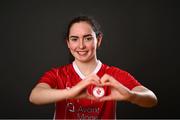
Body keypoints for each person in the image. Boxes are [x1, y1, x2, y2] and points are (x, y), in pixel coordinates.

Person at [29, 15, 158, 119]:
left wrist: (131, 96)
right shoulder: (57, 74)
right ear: (68, 43)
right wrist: (70, 92)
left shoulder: (112, 74)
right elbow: (35, 96)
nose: (81, 46)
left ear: (99, 40)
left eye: (87, 38)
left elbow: (151, 99)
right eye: (74, 39)